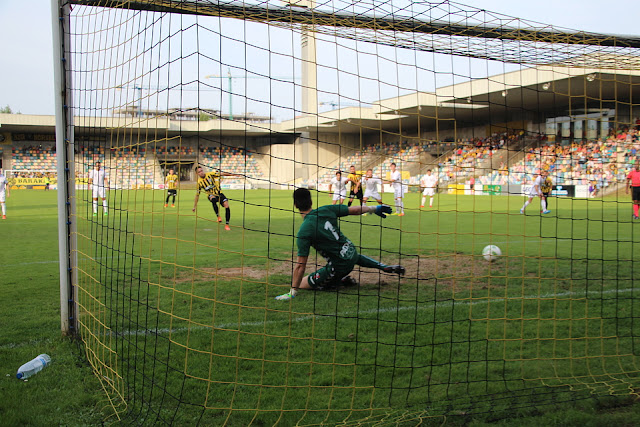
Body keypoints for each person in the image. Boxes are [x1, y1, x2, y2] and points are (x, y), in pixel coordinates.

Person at [275, 188, 405, 301]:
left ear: (295, 205)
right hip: (351, 251)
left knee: (303, 282)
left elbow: (300, 265)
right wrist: (374, 208)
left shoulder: (304, 231)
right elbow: (353, 210)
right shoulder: (326, 209)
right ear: (311, 202)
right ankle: (383, 267)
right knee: (352, 256)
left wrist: (292, 292)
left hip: (339, 266)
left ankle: (339, 281)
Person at [192, 165, 239, 231]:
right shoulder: (199, 183)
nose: (201, 172)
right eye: (199, 172)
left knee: (226, 205)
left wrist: (233, 174)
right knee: (213, 199)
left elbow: (222, 173)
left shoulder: (210, 174)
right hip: (210, 195)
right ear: (197, 173)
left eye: (201, 170)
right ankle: (218, 216)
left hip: (219, 193)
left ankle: (227, 225)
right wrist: (194, 206)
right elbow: (197, 195)